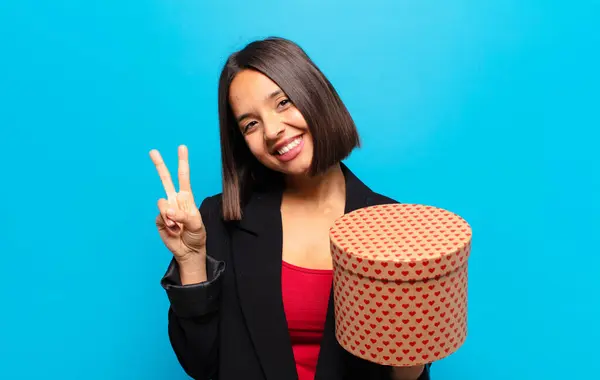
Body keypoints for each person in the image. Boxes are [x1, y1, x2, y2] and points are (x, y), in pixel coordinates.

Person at [149, 37, 432, 380]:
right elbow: (202, 363)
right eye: (250, 124)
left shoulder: (395, 227)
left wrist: (414, 337)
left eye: (282, 102)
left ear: (315, 94)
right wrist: (192, 260)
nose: (272, 131)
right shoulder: (217, 220)